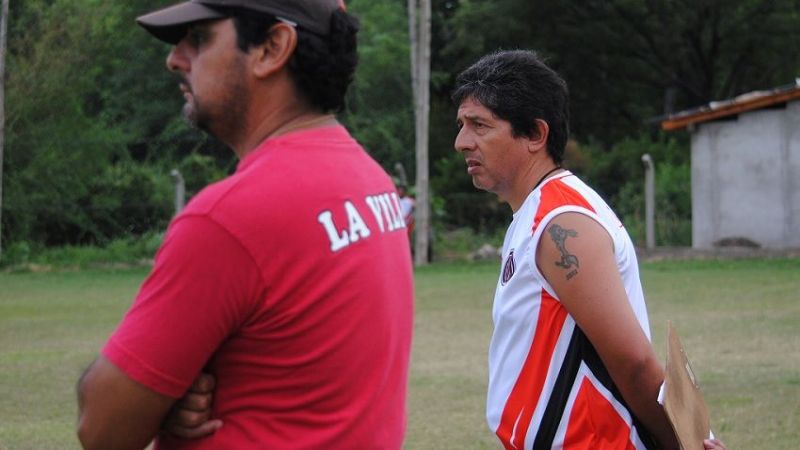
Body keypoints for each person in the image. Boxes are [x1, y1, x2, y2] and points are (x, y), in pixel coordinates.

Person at [76, 1, 414, 449]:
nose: (175, 58)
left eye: (200, 38)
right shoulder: (368, 177)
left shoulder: (228, 217)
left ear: (272, 48)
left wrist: (158, 398)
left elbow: (103, 428)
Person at [452, 50, 726, 450]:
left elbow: (633, 361)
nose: (462, 142)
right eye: (461, 125)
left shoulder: (563, 222)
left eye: (479, 125)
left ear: (535, 135)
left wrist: (684, 443)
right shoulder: (537, 215)